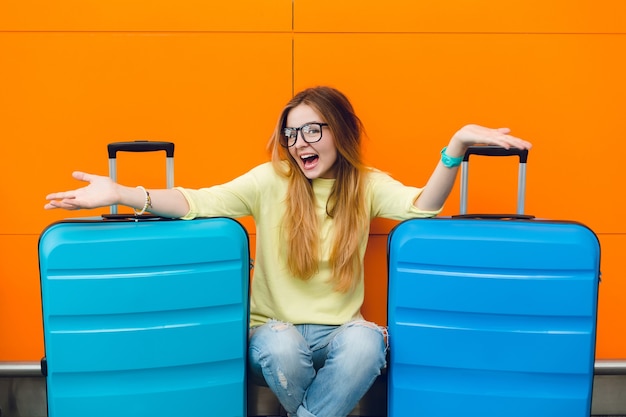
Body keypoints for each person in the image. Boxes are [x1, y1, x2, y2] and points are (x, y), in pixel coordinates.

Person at [45, 86, 532, 417]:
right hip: (272, 336)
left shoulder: (364, 185)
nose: (300, 144)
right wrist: (123, 192)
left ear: (340, 131)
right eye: (291, 133)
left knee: (368, 343)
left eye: (313, 130)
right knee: (281, 346)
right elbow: (197, 200)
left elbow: (422, 210)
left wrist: (457, 146)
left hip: (341, 334)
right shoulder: (269, 181)